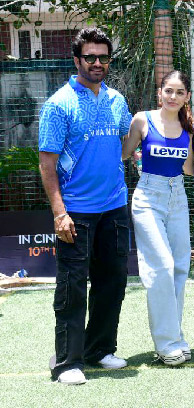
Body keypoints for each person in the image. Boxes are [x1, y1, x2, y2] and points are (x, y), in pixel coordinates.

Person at [38, 28, 132, 385]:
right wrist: (60, 213)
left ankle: (99, 349)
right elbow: (47, 164)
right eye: (90, 57)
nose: (97, 63)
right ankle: (67, 362)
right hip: (75, 211)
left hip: (115, 206)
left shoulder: (117, 101)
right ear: (76, 60)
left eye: (103, 57)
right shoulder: (58, 104)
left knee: (113, 282)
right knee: (72, 287)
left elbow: (126, 142)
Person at [122, 70, 194, 366]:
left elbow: (189, 169)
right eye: (169, 91)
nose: (173, 97)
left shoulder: (188, 127)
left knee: (179, 267)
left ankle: (174, 337)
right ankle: (166, 345)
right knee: (160, 266)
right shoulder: (142, 119)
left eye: (179, 92)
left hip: (178, 196)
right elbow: (124, 154)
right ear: (160, 92)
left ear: (187, 97)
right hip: (148, 196)